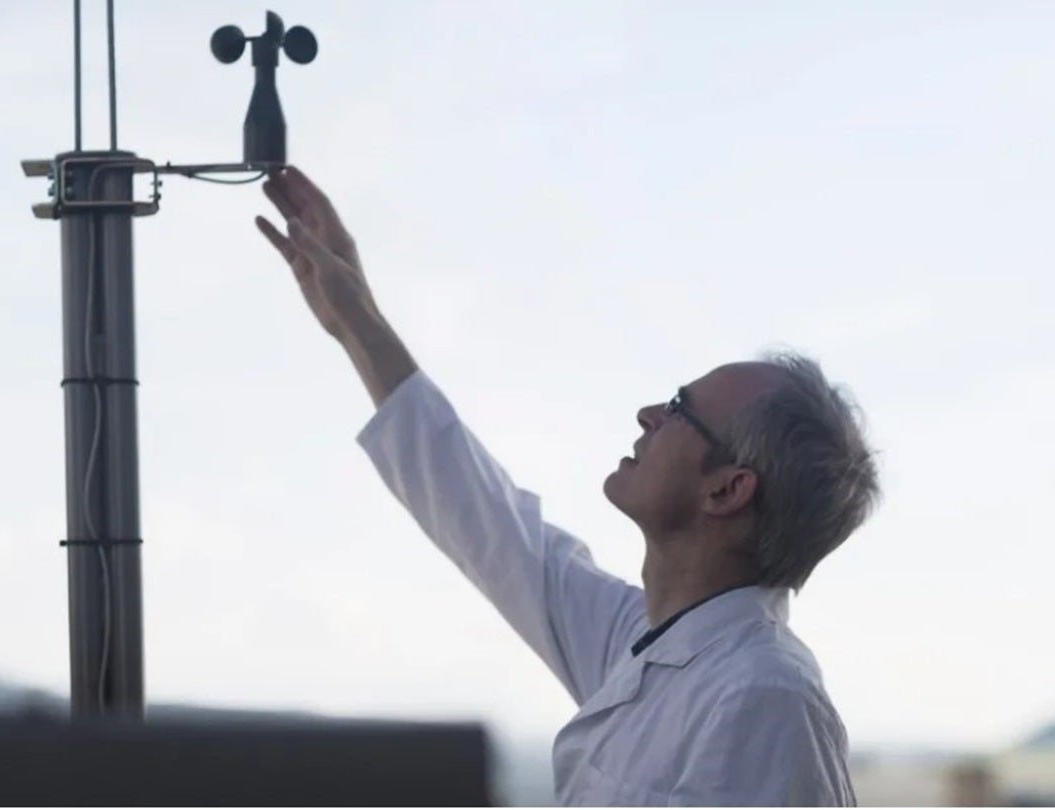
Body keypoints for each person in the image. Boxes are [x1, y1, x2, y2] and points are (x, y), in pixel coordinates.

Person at [256, 167, 882, 806]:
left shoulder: (764, 696)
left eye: (679, 409)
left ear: (727, 490)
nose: (648, 415)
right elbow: (492, 528)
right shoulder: (651, 642)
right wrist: (355, 319)